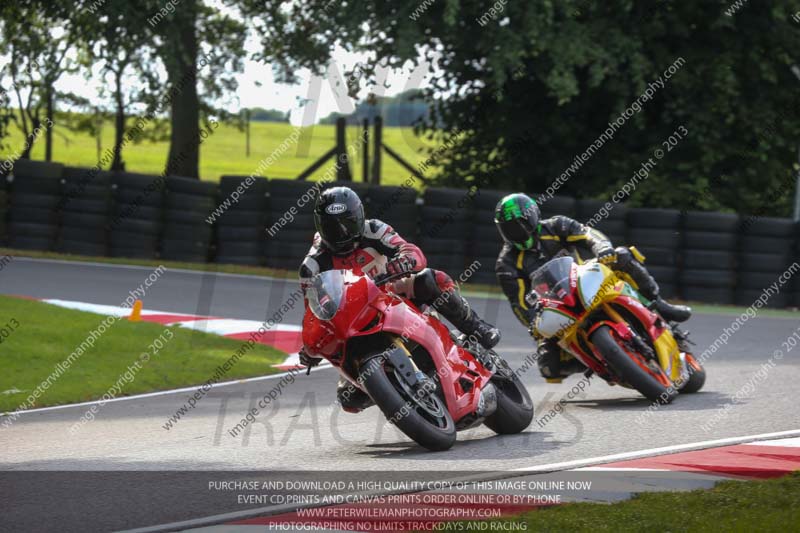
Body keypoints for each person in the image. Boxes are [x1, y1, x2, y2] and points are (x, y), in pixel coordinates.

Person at [298, 186, 501, 412]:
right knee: (348, 399)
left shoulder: (373, 230)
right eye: (332, 227)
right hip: (352, 322)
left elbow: (412, 252)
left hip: (391, 294)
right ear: (319, 225)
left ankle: (474, 325)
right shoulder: (312, 265)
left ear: (359, 217)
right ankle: (392, 390)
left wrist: (403, 262)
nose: (341, 233)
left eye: (347, 224)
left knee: (428, 279)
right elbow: (314, 312)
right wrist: (310, 349)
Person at [493, 193, 691, 382]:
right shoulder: (506, 263)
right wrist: (533, 325)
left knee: (622, 255)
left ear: (533, 216)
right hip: (556, 307)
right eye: (509, 227)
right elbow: (518, 303)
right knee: (549, 367)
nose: (517, 230)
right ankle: (595, 360)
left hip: (584, 281)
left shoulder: (556, 226)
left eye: (521, 223)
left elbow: (588, 234)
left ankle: (657, 303)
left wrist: (601, 247)